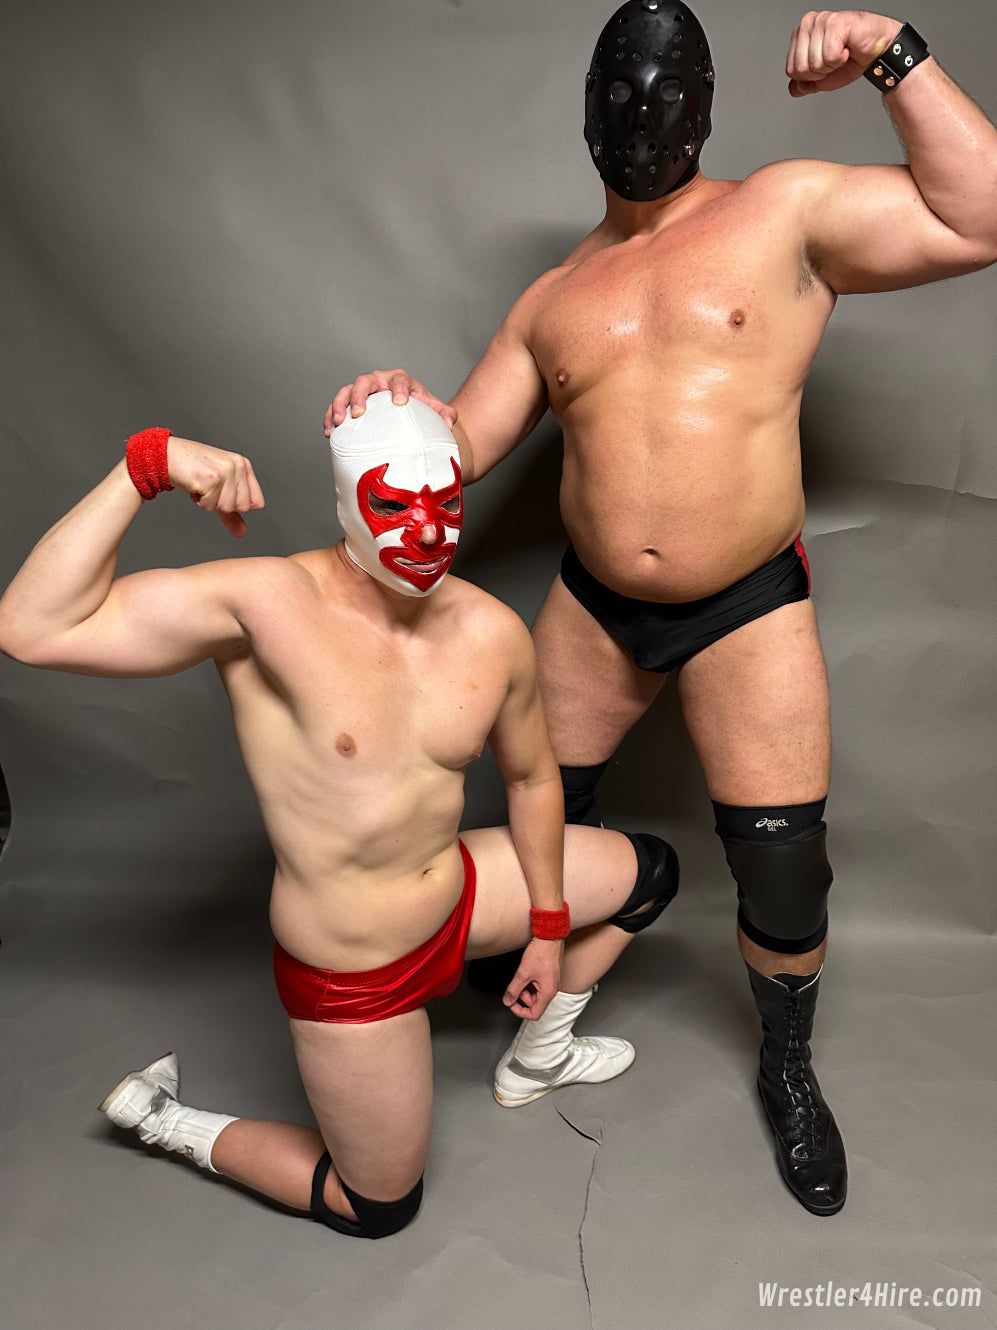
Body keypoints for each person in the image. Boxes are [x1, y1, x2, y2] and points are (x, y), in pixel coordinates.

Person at [326, 5, 997, 1217]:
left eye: (662, 95)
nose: (641, 118)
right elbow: (459, 447)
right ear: (588, 114)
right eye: (620, 98)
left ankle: (785, 1068)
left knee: (783, 872)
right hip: (592, 610)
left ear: (702, 107)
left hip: (744, 604)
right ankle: (527, 974)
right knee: (536, 809)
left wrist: (891, 53)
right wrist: (394, 406)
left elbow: (981, 216)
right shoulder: (553, 296)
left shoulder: (784, 211)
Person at [0, 394, 680, 1238]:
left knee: (651, 872)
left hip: (460, 893)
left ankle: (539, 1058)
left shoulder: (490, 629)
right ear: (344, 501)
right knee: (376, 1206)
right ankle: (163, 1119)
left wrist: (546, 927)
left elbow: (534, 777)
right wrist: (145, 465)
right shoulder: (264, 602)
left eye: (445, 503)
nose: (426, 532)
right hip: (355, 968)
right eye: (393, 505)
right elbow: (29, 629)